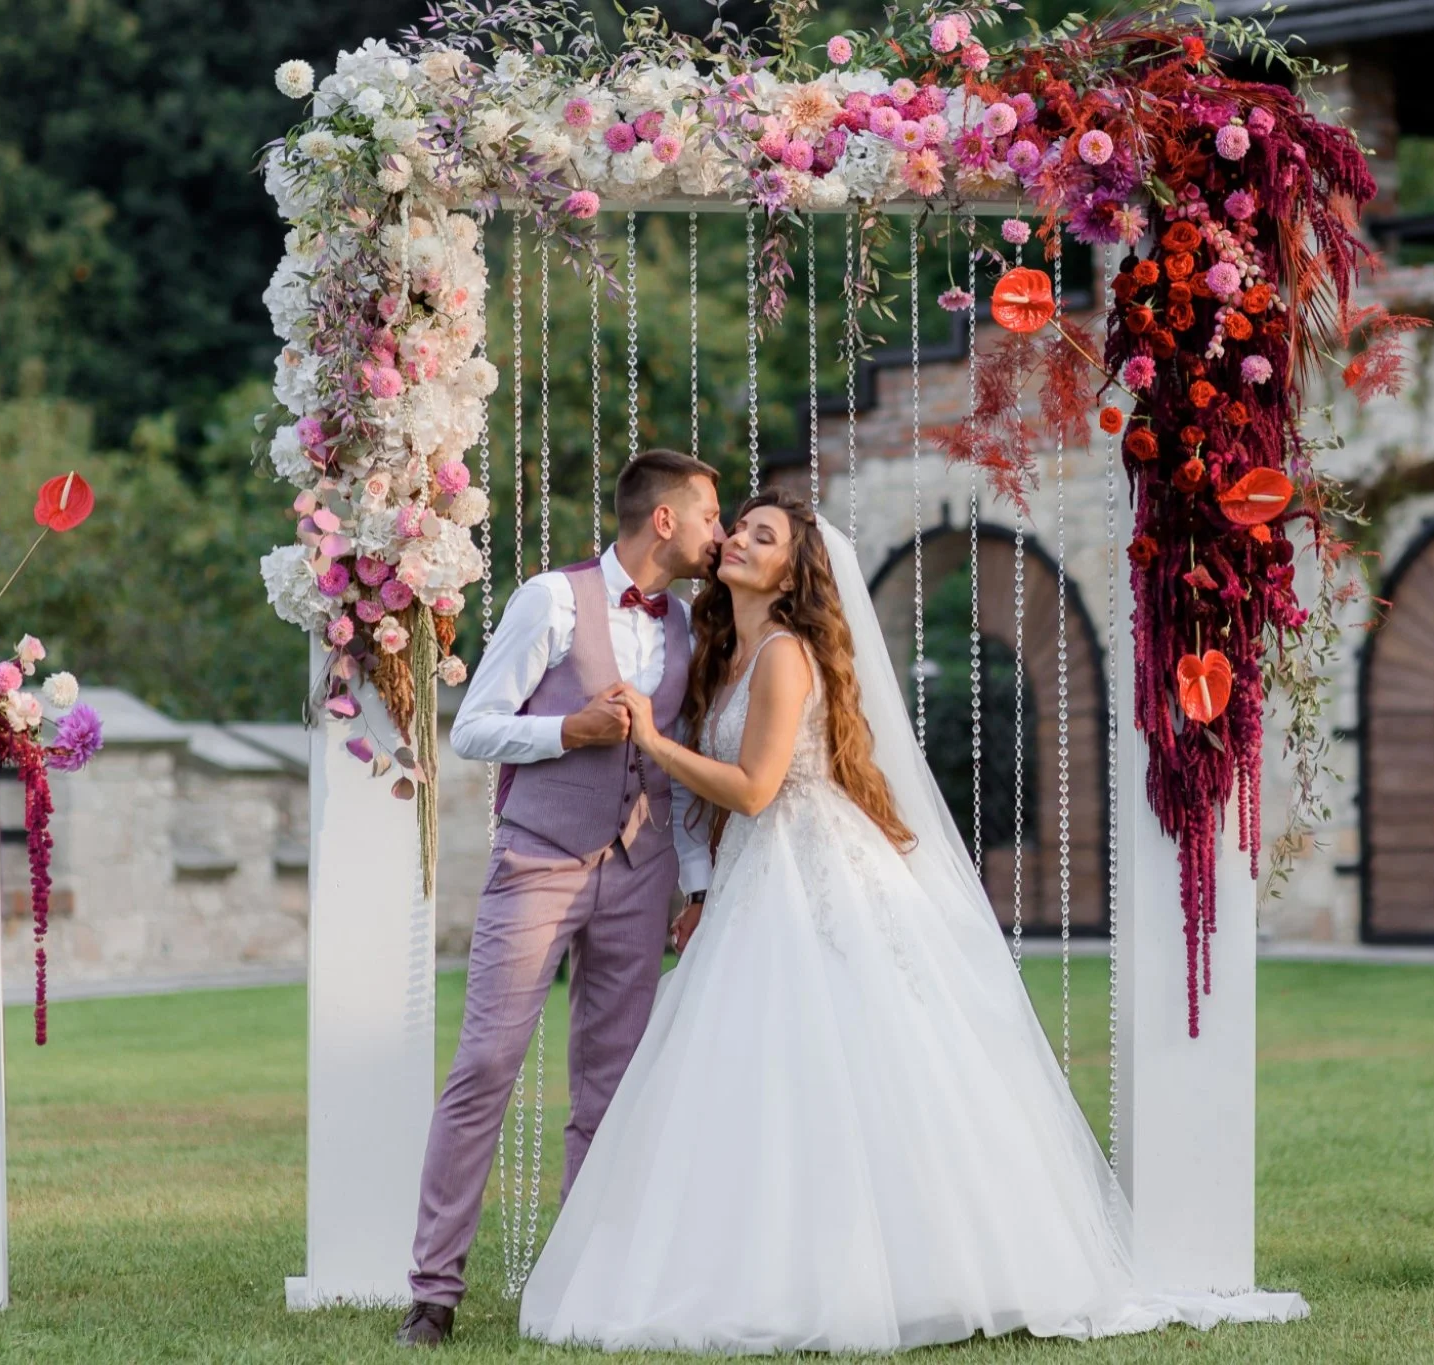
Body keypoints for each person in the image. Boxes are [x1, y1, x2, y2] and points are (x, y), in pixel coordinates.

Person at [518, 488, 1307, 1352]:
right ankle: (777, 1261)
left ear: (792, 571)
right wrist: (701, 890)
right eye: (738, 527)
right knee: (765, 1072)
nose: (739, 538)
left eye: (762, 534)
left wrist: (652, 741)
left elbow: (754, 788)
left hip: (812, 868)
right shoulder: (724, 651)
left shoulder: (783, 654)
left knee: (854, 1061)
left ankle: (910, 1267)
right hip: (754, 878)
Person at [396, 450, 727, 1348]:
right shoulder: (549, 597)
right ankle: (433, 1290)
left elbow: (682, 774)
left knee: (610, 1087)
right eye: (710, 515)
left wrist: (693, 887)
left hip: (643, 868)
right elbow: (470, 727)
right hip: (540, 857)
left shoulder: (695, 625)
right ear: (664, 519)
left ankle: (585, 1285)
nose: (719, 532)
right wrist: (567, 730)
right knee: (486, 1068)